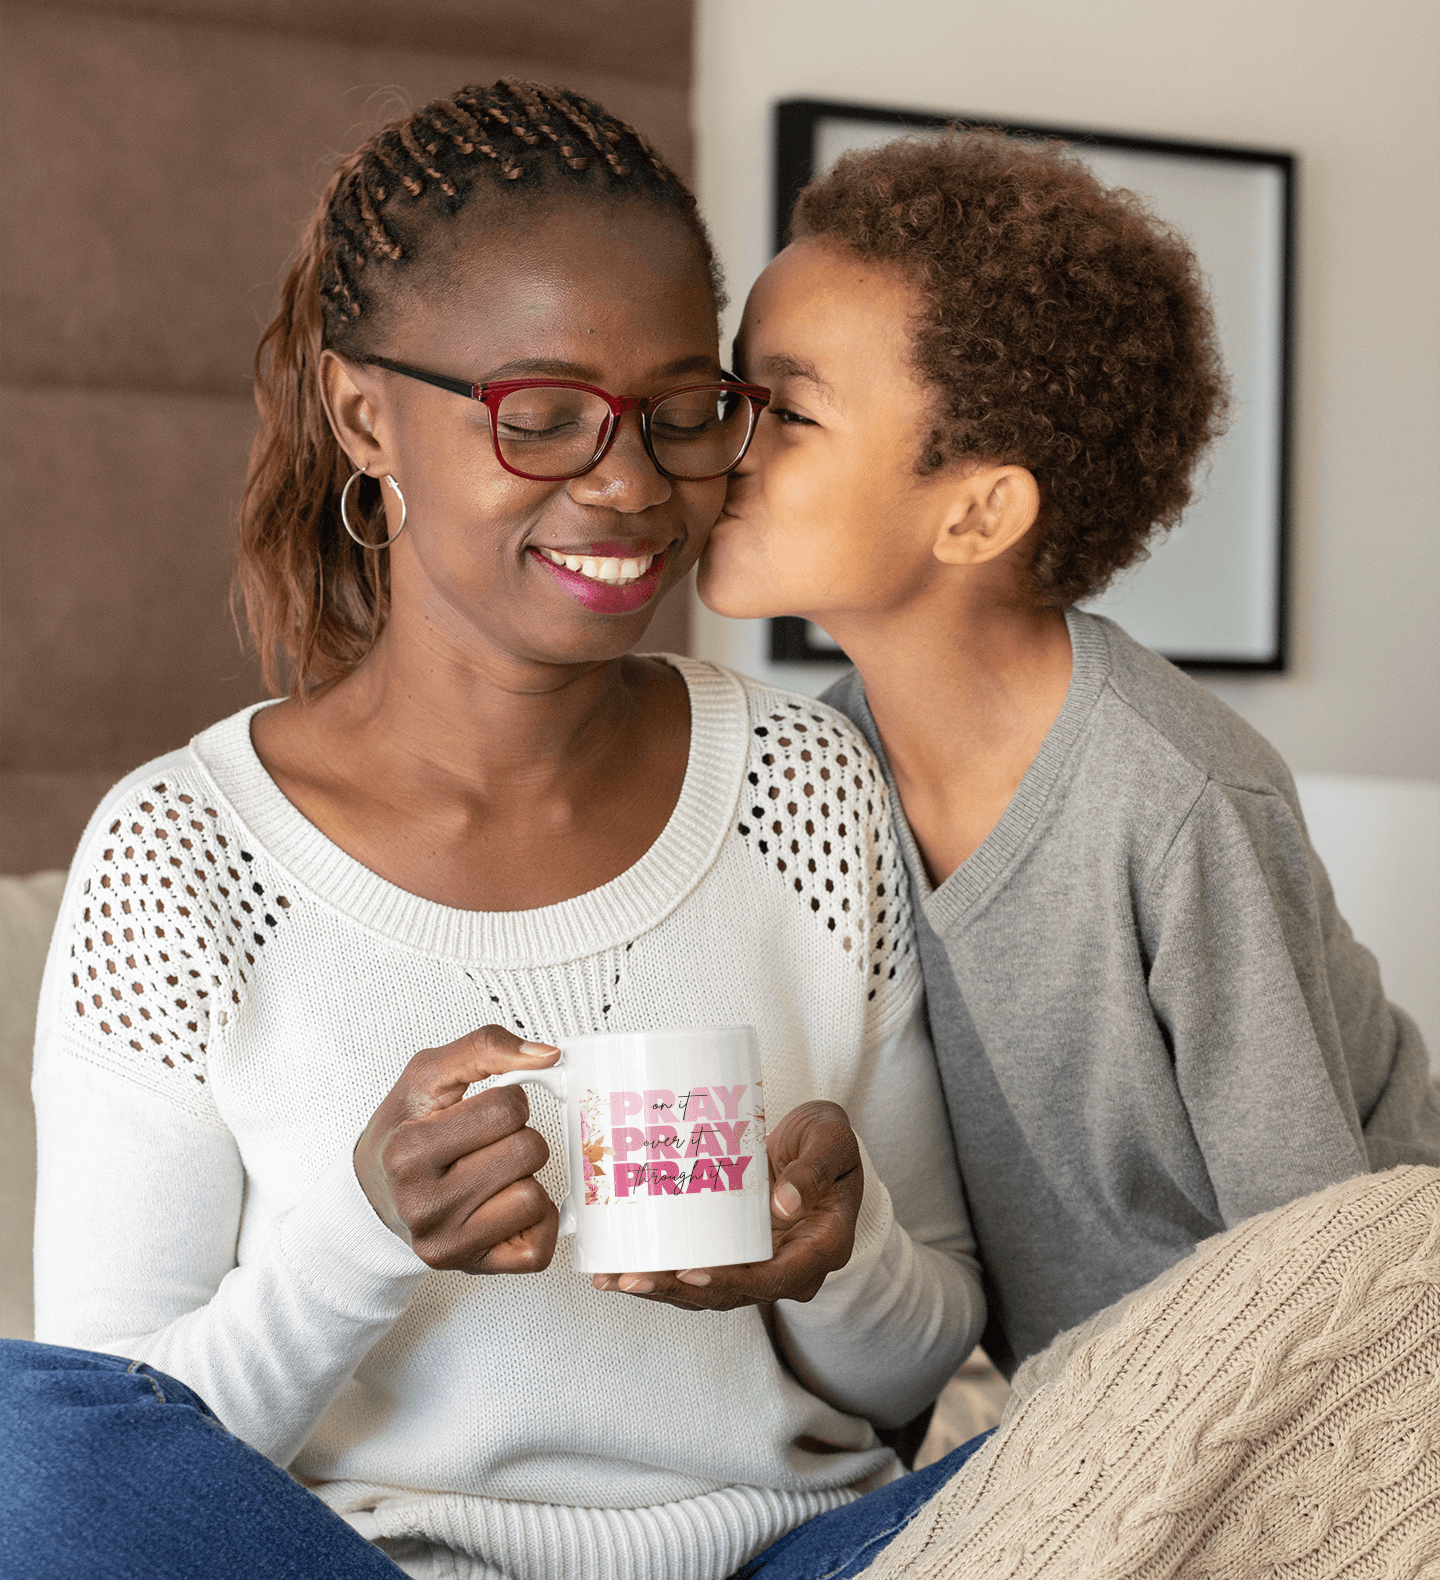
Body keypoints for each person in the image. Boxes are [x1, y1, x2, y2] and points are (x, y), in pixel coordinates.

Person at [5, 83, 985, 1580]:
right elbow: (112, 1438)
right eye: (540, 416)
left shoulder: (805, 784)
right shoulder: (180, 857)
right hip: (374, 1569)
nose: (631, 485)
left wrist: (835, 1263)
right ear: (362, 413)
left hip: (796, 1560)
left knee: (1244, 1371)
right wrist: (357, 1232)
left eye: (682, 412)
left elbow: (923, 1366)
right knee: (23, 1438)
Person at [700, 130, 1440, 1385]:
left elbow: (1323, 1268)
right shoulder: (815, 776)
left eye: (792, 409)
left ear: (979, 510)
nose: (728, 440)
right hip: (1072, 1408)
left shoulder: (1180, 797)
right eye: (734, 392)